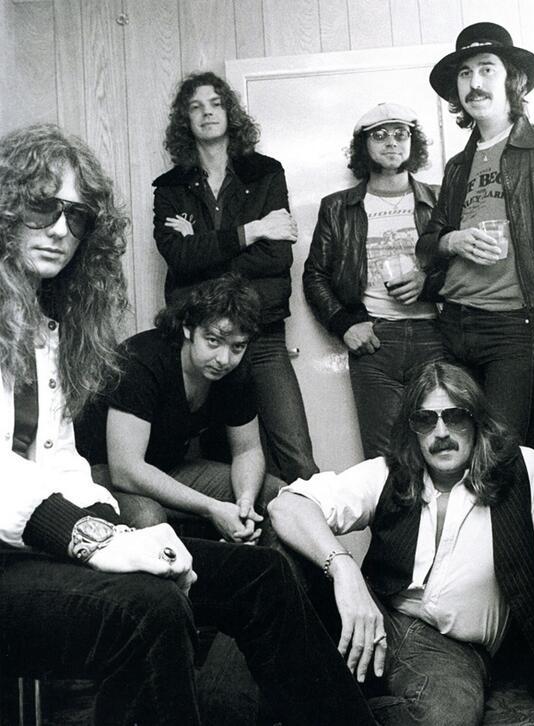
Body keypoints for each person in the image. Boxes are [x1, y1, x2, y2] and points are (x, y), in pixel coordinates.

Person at [0, 123, 381, 726]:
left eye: (76, 216)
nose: (59, 229)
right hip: (13, 556)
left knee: (260, 574)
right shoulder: (144, 361)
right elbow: (104, 471)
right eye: (43, 205)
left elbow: (58, 463)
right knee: (150, 606)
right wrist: (101, 538)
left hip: (37, 542)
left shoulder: (49, 327)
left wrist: (119, 534)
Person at [269, 360, 534, 725]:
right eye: (426, 420)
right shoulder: (387, 473)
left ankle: (322, 709)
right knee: (281, 553)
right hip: (375, 618)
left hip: (451, 651)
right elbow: (286, 505)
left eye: (454, 416)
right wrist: (345, 570)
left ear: (476, 420)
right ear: (413, 430)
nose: (441, 432)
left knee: (448, 718)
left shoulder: (524, 470)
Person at [417, 22, 534, 442]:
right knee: (451, 447)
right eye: (465, 73)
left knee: (499, 450)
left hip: (514, 325)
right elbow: (427, 246)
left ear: (511, 80)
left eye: (487, 69)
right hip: (452, 322)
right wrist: (453, 240)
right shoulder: (457, 166)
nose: (474, 83)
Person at [153, 71, 317, 483]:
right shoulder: (170, 188)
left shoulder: (266, 173)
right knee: (218, 463)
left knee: (296, 457)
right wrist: (253, 230)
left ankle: (310, 524)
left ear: (230, 112)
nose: (207, 113)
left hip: (261, 333)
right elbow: (178, 257)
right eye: (195, 107)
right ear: (185, 120)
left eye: (215, 104)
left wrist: (203, 247)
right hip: (202, 342)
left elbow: (276, 257)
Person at [81, 273, 283, 538]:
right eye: (213, 341)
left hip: (167, 468)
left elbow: (247, 450)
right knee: (147, 515)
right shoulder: (142, 360)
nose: (224, 359)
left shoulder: (235, 372)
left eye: (237, 346)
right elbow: (125, 470)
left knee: (275, 495)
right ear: (188, 328)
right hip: (98, 472)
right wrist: (211, 508)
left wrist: (245, 502)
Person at [303, 102, 444, 458]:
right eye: (379, 135)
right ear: (363, 146)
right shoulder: (338, 206)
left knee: (443, 447)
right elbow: (315, 275)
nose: (391, 141)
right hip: (375, 341)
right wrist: (344, 324)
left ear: (412, 142)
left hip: (437, 338)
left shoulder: (440, 198)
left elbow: (462, 268)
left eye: (401, 133)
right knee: (386, 459)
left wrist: (427, 284)